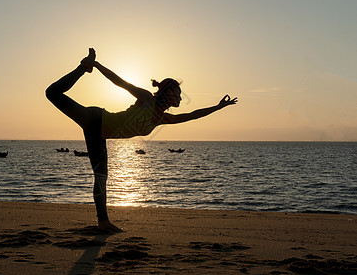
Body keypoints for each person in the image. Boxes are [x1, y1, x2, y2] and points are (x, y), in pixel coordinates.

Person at [46, 48, 237, 232]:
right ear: (169, 93)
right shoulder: (147, 99)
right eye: (177, 92)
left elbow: (192, 115)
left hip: (99, 134)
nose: (180, 97)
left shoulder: (163, 118)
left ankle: (103, 223)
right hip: (95, 119)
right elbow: (120, 83)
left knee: (101, 178)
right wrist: (95, 64)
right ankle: (83, 67)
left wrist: (218, 107)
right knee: (52, 93)